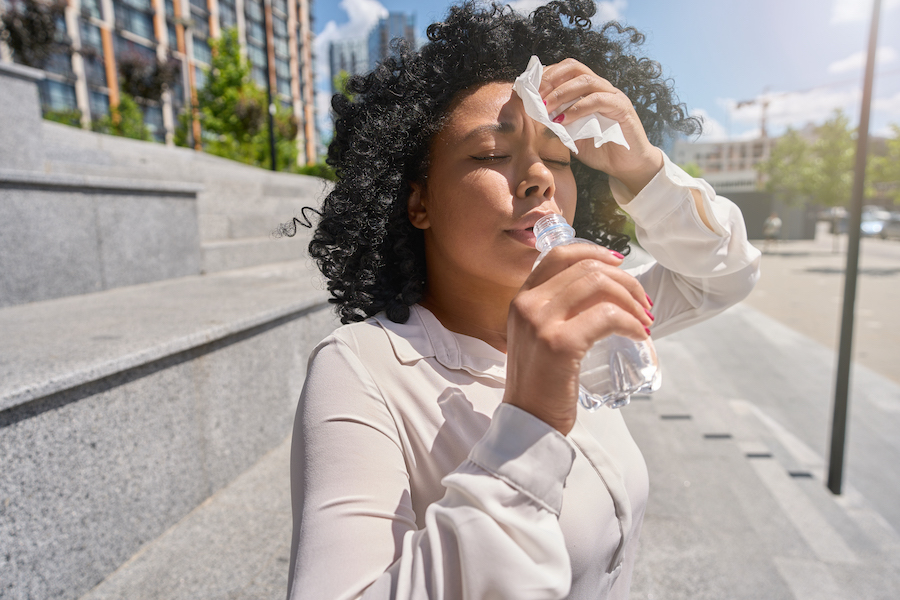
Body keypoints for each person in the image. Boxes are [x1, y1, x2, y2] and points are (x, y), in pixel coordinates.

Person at [286, 1, 760, 598]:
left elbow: (723, 276)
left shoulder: (583, 310)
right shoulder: (362, 367)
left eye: (559, 159)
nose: (539, 178)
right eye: (490, 155)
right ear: (419, 203)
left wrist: (641, 169)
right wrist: (530, 417)